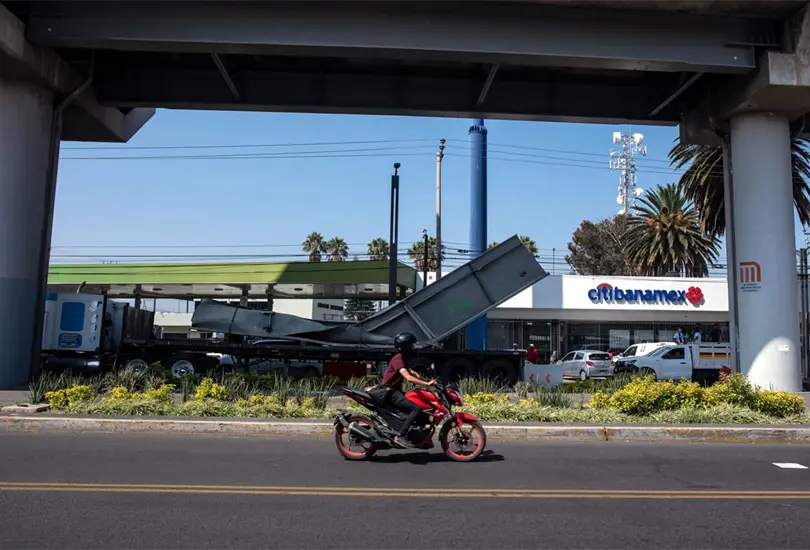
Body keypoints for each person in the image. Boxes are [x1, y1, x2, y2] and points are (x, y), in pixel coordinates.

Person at [379, 332, 436, 448]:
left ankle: (418, 435)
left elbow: (414, 374)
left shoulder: (403, 359)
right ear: (405, 347)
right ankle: (400, 435)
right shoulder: (398, 359)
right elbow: (409, 378)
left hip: (396, 391)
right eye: (411, 345)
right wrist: (427, 384)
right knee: (416, 408)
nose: (413, 348)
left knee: (421, 406)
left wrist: (430, 381)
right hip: (389, 392)